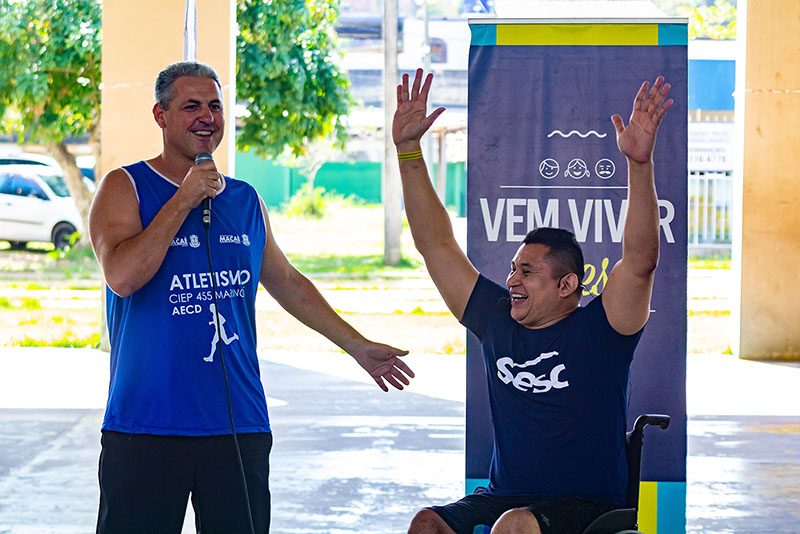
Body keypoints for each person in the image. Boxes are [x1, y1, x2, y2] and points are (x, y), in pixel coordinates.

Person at [88, 61, 414, 534]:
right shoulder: (125, 186)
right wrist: (183, 199)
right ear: (161, 115)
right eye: (191, 106)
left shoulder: (245, 200)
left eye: (215, 106)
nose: (207, 117)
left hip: (238, 424)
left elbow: (289, 283)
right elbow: (122, 276)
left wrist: (357, 346)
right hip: (147, 423)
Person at [394, 69, 672, 534]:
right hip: (504, 496)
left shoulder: (603, 331)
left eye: (527, 271)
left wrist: (639, 165)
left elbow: (641, 262)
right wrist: (407, 151)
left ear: (567, 285)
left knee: (514, 526)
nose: (511, 280)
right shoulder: (496, 319)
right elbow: (435, 245)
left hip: (586, 505)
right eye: (512, 269)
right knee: (427, 524)